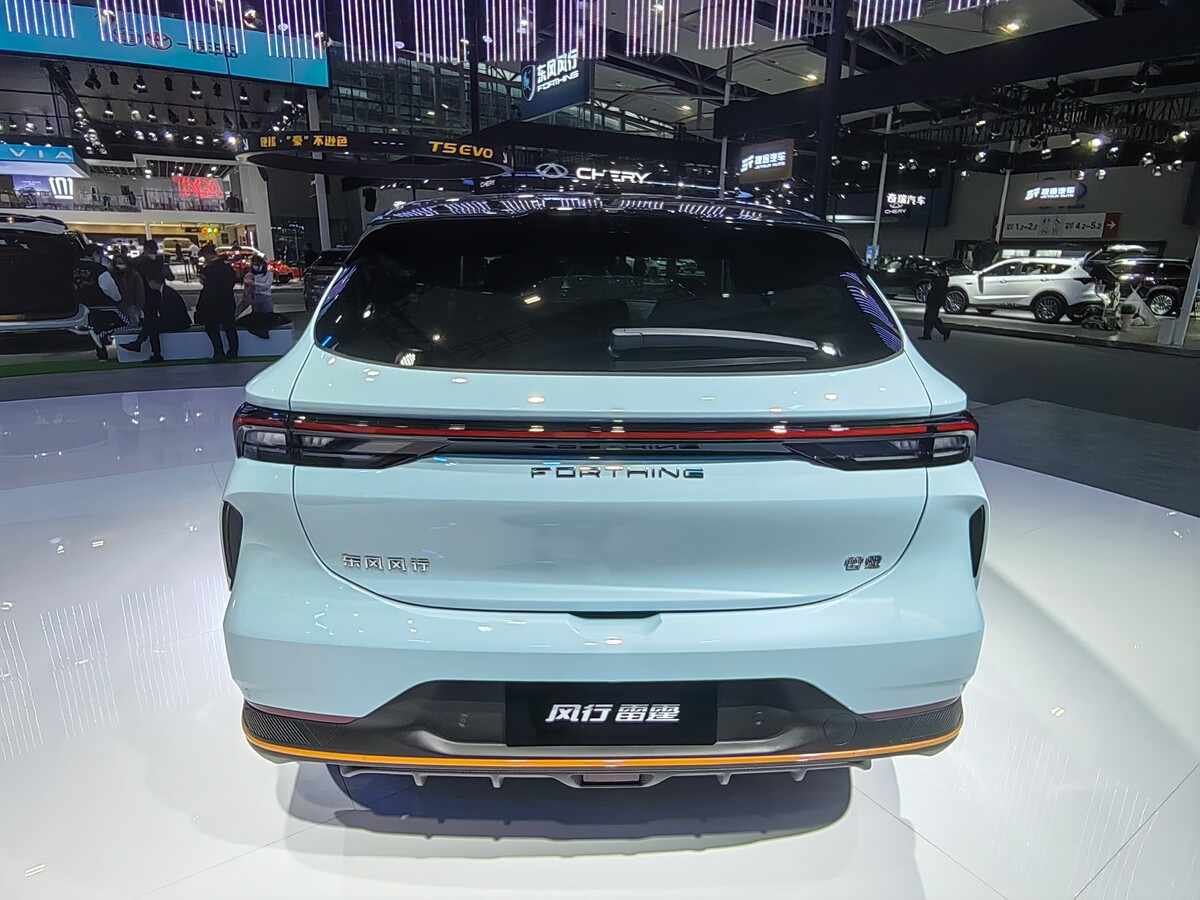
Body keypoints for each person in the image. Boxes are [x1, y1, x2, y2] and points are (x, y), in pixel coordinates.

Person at [194, 243, 238, 360]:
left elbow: (207, 288)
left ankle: (219, 352)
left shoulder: (208, 270)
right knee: (230, 327)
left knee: (212, 328)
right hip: (227, 301)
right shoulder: (227, 267)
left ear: (208, 255)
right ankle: (233, 352)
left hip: (212, 304)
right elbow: (232, 282)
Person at [919, 265, 952, 342]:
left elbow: (938, 289)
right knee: (931, 318)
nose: (936, 271)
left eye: (938, 269)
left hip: (935, 301)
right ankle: (928, 334)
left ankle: (943, 331)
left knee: (931, 318)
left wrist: (934, 277)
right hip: (933, 300)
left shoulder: (942, 279)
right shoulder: (940, 278)